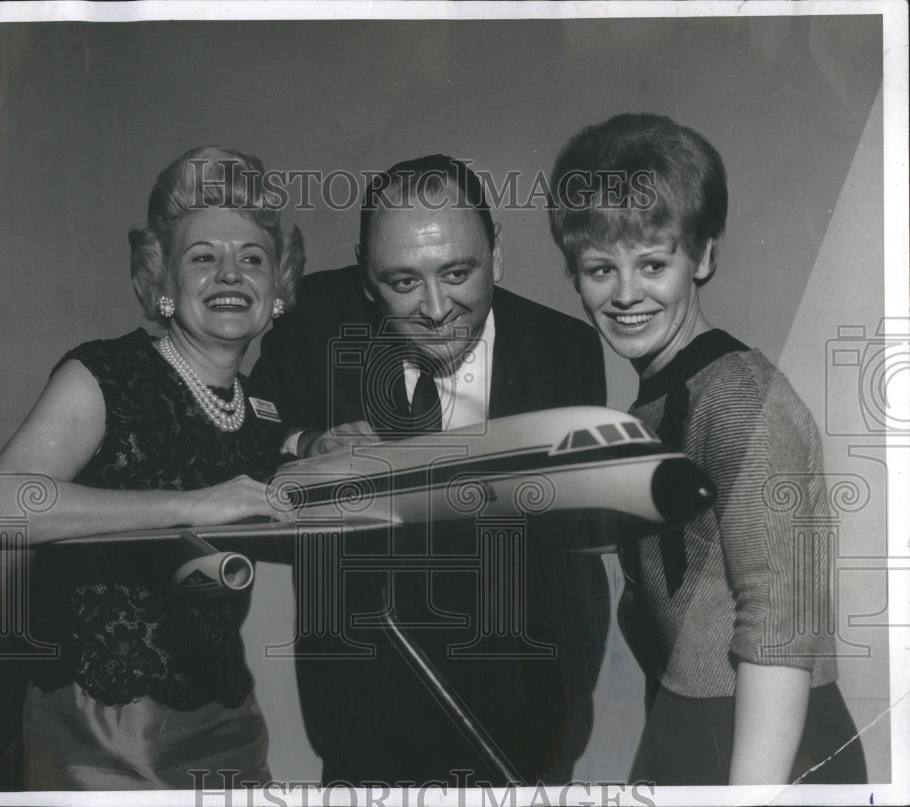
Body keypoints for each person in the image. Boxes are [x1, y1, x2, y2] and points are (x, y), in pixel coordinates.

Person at [250, 155, 610, 785]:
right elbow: (243, 439)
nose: (438, 309)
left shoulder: (565, 350)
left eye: (458, 272)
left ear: (496, 256)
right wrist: (307, 443)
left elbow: (572, 552)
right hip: (363, 715)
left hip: (521, 714)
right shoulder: (313, 321)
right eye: (403, 283)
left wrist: (564, 710)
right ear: (366, 277)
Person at [548, 113, 867, 785]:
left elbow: (779, 628)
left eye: (653, 263)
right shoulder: (659, 399)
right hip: (690, 724)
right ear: (574, 276)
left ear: (706, 257)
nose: (626, 293)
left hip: (773, 739)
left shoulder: (740, 398)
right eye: (601, 268)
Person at [0, 146, 304, 789]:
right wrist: (192, 504)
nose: (230, 274)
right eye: (203, 257)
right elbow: (0, 507)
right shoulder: (105, 373)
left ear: (277, 292)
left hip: (227, 723)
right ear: (162, 283)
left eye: (252, 259)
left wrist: (317, 448)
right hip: (101, 733)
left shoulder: (260, 412)